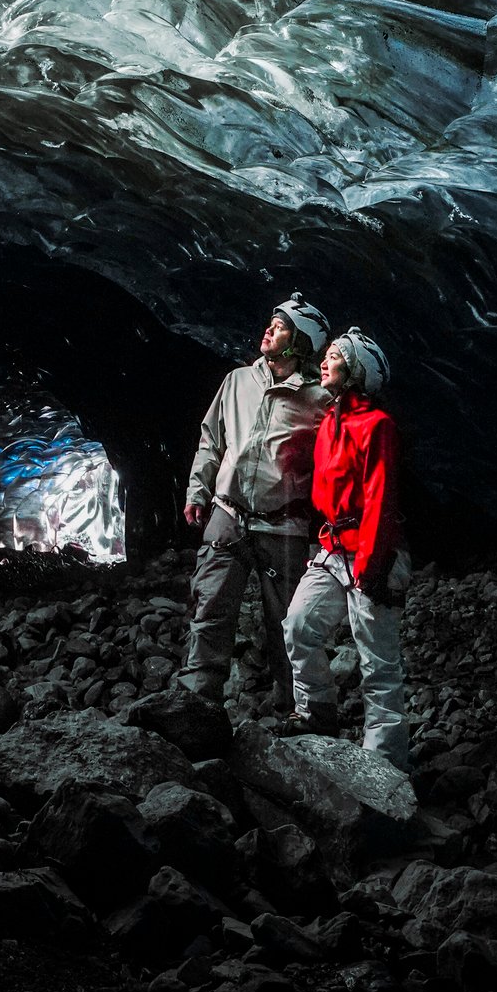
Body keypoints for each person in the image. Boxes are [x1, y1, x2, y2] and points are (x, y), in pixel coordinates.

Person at [178, 293, 332, 713]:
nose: (268, 330)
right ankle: (198, 701)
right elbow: (212, 440)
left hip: (283, 527)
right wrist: (198, 491)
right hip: (227, 515)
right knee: (210, 606)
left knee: (284, 624)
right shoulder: (237, 381)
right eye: (271, 322)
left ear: (299, 344)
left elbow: (333, 466)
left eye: (280, 326)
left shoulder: (320, 402)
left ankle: (289, 709)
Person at [283, 325, 412, 767]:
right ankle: (317, 714)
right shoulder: (329, 425)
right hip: (334, 546)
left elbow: (379, 497)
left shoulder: (378, 426)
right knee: (299, 625)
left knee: (377, 663)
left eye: (335, 355)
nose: (325, 359)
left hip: (370, 551)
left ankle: (384, 765)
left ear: (356, 369)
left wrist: (373, 568)